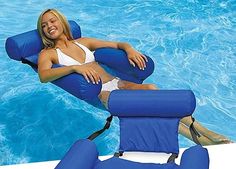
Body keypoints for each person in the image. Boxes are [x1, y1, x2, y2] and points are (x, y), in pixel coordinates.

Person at [37, 8, 231, 146]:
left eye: (52, 21)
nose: (49, 26)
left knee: (153, 90)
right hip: (103, 95)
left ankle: (204, 135)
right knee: (150, 109)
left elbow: (119, 44)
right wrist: (74, 69)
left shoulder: (83, 42)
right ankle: (205, 137)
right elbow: (44, 76)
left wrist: (130, 50)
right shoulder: (49, 53)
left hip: (118, 83)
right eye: (44, 25)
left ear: (61, 22)